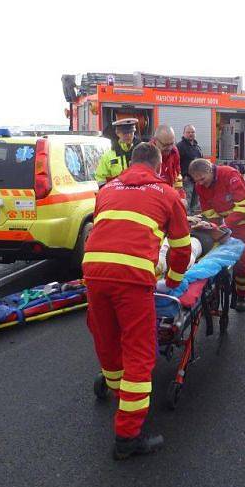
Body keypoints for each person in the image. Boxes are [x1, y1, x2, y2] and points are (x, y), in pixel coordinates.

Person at [83, 143, 191, 460]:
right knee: (139, 353)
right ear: (157, 166)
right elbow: (182, 248)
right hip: (131, 279)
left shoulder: (107, 190)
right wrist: (172, 280)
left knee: (107, 340)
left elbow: (105, 229)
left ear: (130, 164)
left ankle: (118, 392)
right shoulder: (167, 194)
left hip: (94, 273)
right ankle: (128, 437)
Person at [188, 158, 245, 312]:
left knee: (241, 260)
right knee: (214, 253)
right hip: (226, 221)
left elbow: (243, 208)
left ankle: (242, 295)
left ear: (210, 170)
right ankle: (213, 293)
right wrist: (213, 227)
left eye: (202, 178)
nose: (201, 183)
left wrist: (223, 226)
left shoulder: (229, 174)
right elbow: (210, 212)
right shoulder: (200, 186)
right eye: (197, 180)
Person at [95, 118, 140, 187]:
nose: (128, 135)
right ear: (118, 133)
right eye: (125, 133)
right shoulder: (108, 156)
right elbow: (101, 178)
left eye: (131, 132)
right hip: (117, 194)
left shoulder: (142, 151)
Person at [150, 125, 186, 203]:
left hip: (168, 196)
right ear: (155, 141)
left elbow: (177, 176)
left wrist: (180, 197)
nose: (169, 148)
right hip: (153, 198)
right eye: (165, 145)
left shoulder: (174, 152)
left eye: (172, 143)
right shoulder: (147, 153)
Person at [177, 124, 203, 214]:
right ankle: (187, 222)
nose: (191, 134)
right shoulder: (180, 147)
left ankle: (193, 222)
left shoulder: (197, 147)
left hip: (197, 181)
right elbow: (176, 163)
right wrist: (182, 176)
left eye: (192, 132)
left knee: (195, 205)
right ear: (184, 133)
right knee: (186, 204)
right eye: (188, 132)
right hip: (186, 180)